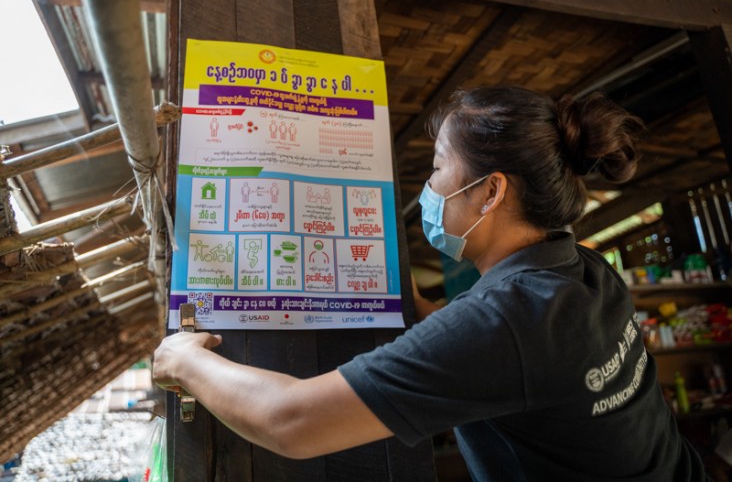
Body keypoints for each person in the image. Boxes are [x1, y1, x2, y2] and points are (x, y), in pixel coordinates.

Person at [153, 86, 708, 480]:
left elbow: (291, 421)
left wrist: (184, 360)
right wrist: (415, 305)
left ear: (490, 192)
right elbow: (514, 356)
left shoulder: (507, 319)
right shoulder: (582, 272)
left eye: (439, 167)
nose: (428, 186)